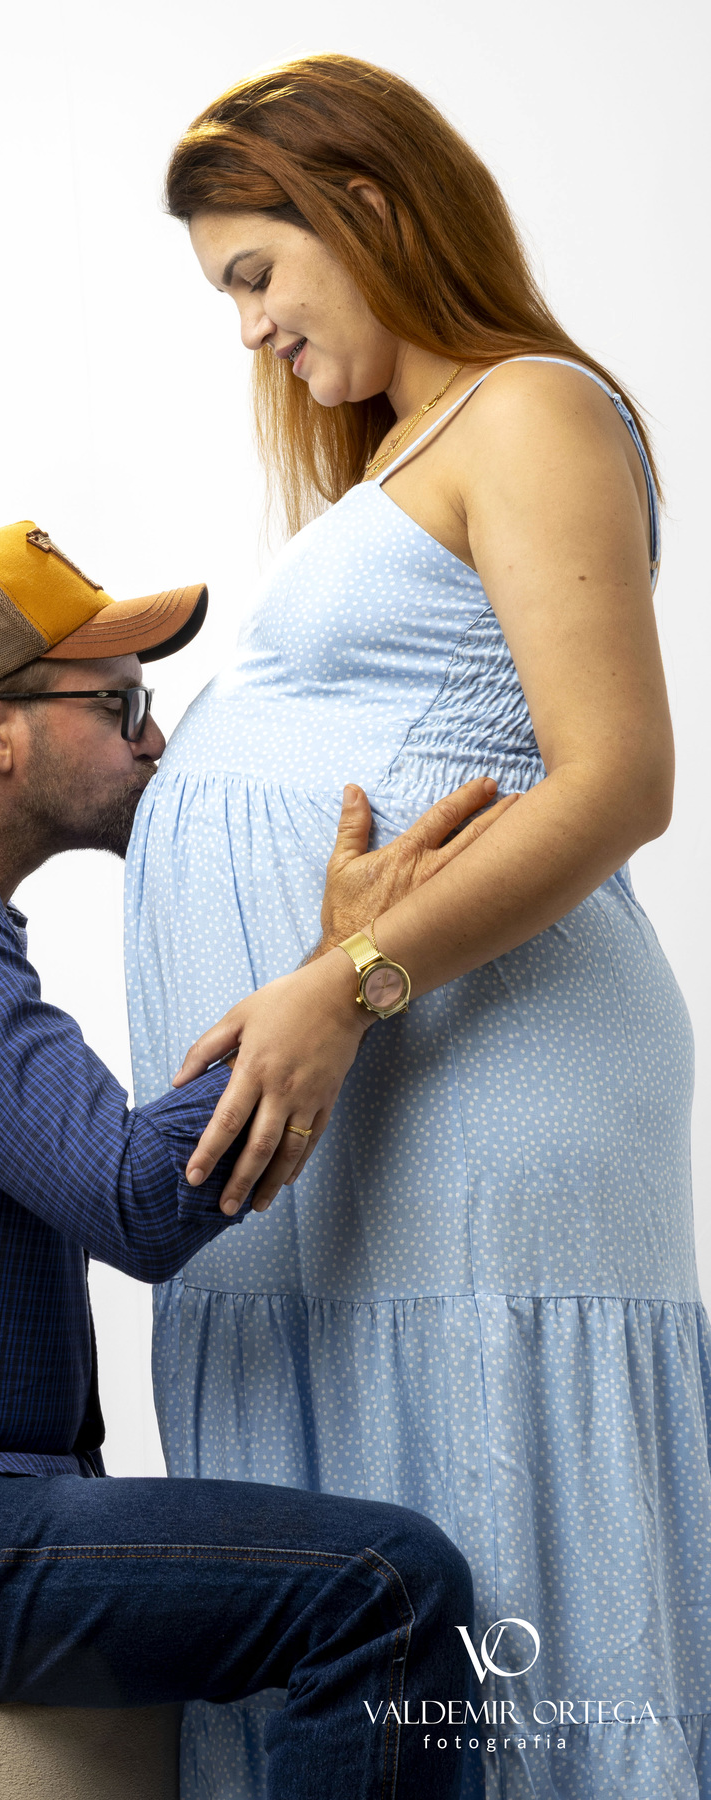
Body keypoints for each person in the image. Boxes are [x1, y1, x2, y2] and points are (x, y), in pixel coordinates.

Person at [0, 519, 511, 1799]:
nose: (155, 738)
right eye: (120, 704)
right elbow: (136, 1203)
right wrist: (342, 976)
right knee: (381, 1593)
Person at [124, 55, 710, 1800]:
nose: (250, 329)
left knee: (504, 1556)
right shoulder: (411, 450)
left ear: (368, 207)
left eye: (257, 274)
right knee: (378, 1579)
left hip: (482, 1068)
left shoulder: (529, 409)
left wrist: (350, 983)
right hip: (371, 1111)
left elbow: (618, 779)